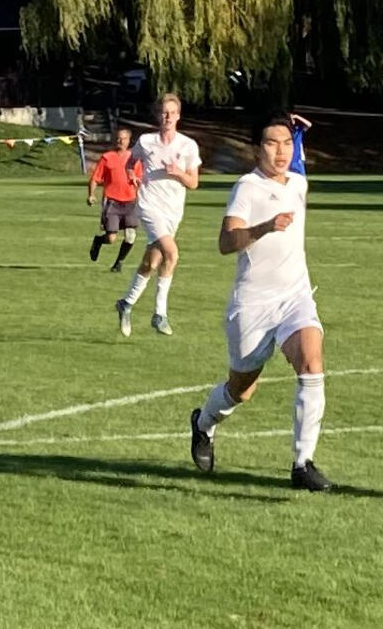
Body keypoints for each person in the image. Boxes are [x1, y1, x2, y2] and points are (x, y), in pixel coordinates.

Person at [188, 111, 332, 492]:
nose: (280, 151)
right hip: (252, 305)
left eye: (286, 143)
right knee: (242, 389)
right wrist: (264, 227)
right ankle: (203, 424)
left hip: (295, 297)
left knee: (311, 360)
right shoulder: (246, 188)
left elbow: (295, 164)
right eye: (272, 143)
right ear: (256, 149)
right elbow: (225, 242)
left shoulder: (298, 183)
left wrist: (297, 131)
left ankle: (303, 464)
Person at [114, 94, 201, 336]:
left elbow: (193, 182)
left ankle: (126, 303)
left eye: (172, 113)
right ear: (158, 115)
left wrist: (177, 173)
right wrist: (132, 173)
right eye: (164, 112)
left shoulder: (188, 145)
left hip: (173, 210)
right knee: (171, 253)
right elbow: (131, 162)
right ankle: (159, 314)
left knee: (151, 262)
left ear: (179, 116)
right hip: (149, 205)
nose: (168, 117)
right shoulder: (146, 141)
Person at [87, 127, 143, 273]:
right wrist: (92, 194)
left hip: (131, 202)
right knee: (111, 238)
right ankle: (99, 241)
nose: (120, 141)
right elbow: (95, 179)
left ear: (129, 140)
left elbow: (142, 179)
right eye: (118, 138)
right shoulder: (107, 158)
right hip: (112, 202)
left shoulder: (135, 159)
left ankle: (118, 263)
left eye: (123, 138)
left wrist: (138, 181)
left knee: (130, 236)